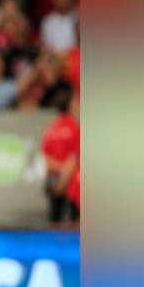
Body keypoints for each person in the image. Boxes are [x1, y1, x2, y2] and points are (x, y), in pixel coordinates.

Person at [42, 92, 80, 227]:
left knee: (54, 221)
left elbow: (46, 157)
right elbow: (74, 157)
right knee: (73, 223)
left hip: (53, 177)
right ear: (70, 105)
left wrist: (56, 175)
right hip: (70, 181)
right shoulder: (74, 127)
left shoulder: (50, 128)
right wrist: (63, 179)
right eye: (76, 101)